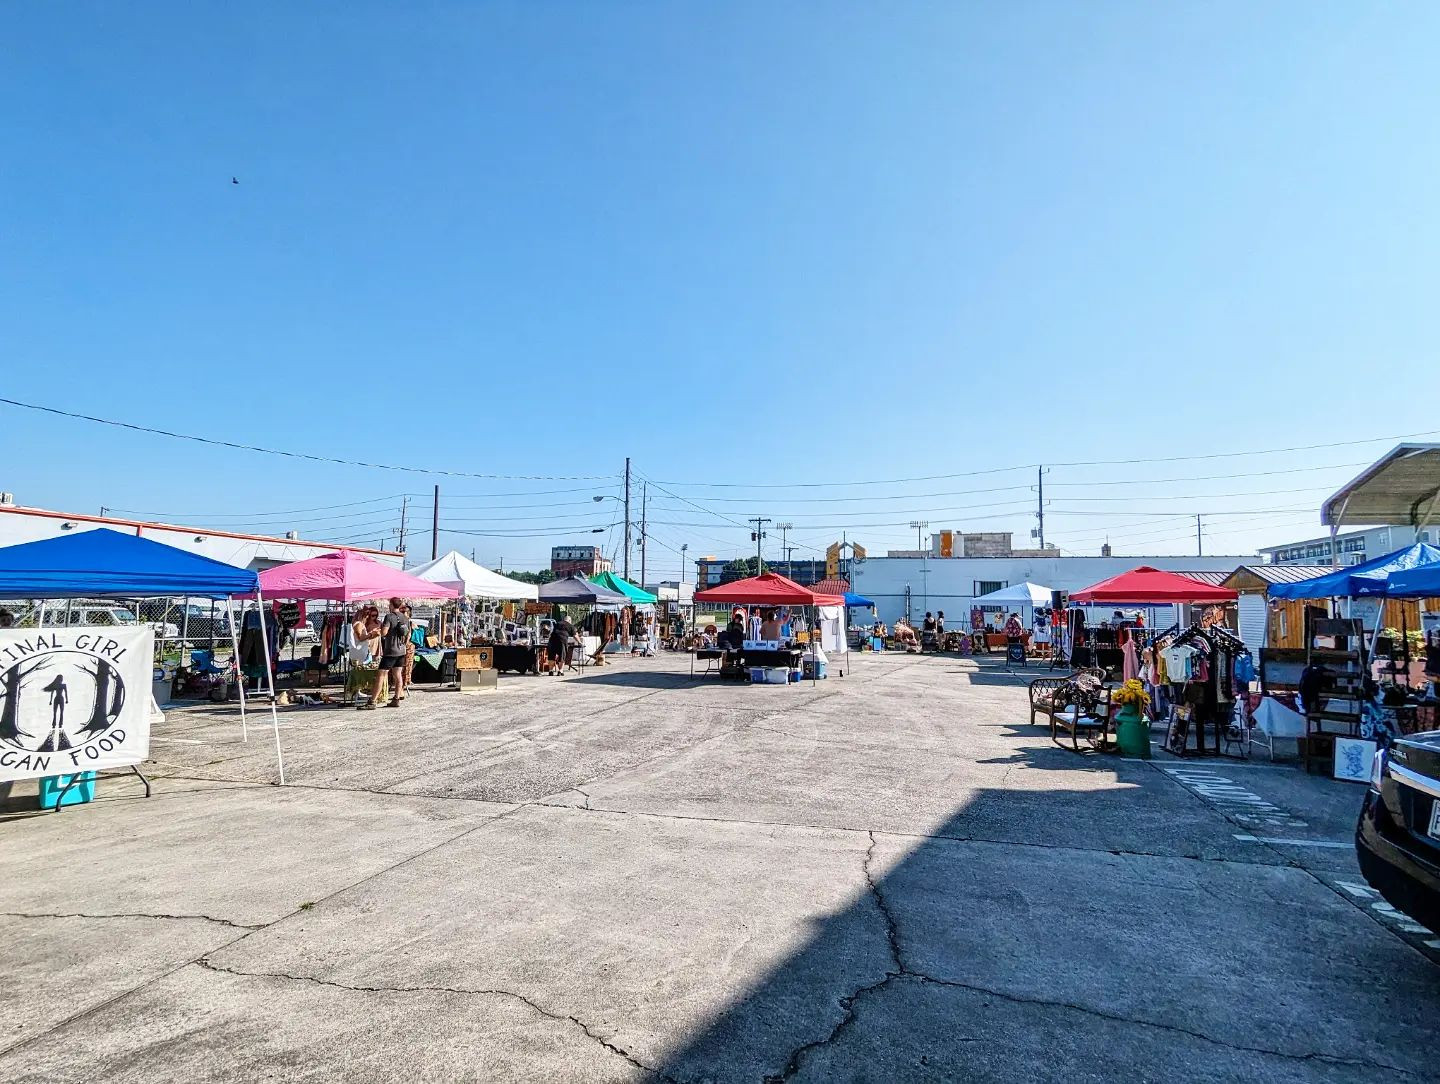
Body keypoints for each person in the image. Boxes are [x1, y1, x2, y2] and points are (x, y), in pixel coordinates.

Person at [362, 598, 411, 709]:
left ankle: (372, 701)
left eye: (389, 604)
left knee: (381, 675)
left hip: (390, 651)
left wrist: (377, 632)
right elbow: (408, 634)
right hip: (401, 650)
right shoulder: (405, 618)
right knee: (398, 675)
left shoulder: (389, 617)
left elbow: (384, 633)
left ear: (391, 605)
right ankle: (396, 698)